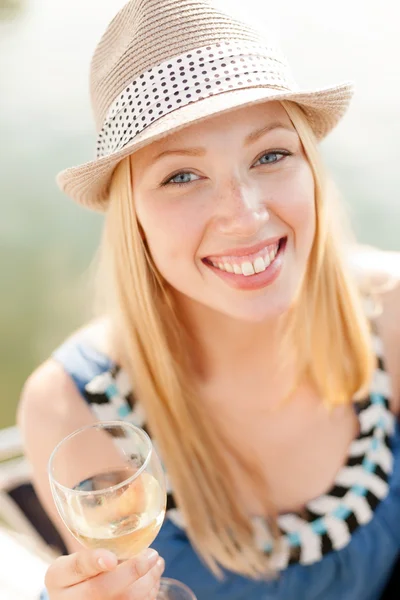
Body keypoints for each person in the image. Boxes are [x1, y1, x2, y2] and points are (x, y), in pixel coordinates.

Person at [17, 0, 400, 598]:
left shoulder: (390, 316)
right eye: (180, 176)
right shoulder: (74, 407)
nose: (245, 217)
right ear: (132, 215)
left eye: (271, 155)